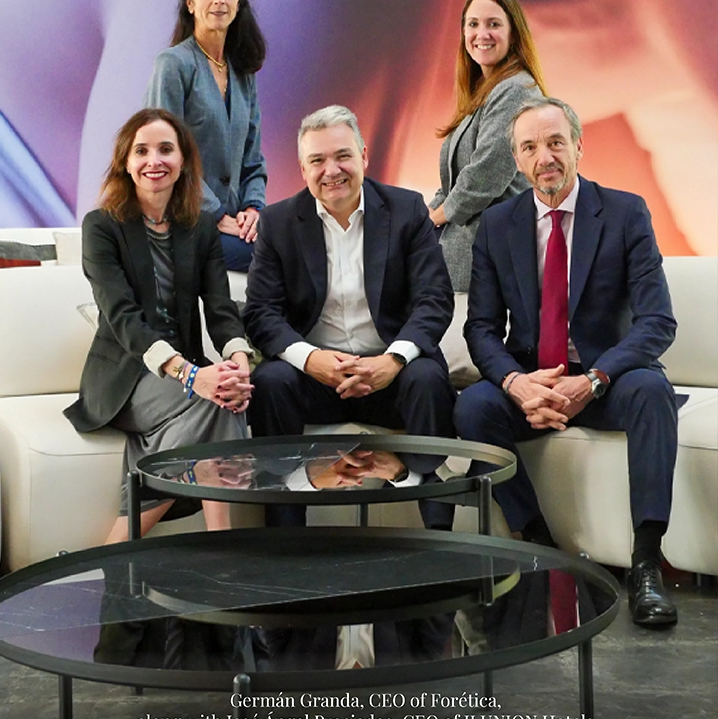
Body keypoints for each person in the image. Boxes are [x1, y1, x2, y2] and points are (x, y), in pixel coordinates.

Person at [454, 95, 679, 627]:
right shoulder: (498, 224)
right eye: (529, 147)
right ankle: (538, 546)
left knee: (651, 392)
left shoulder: (625, 212)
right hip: (535, 380)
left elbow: (658, 323)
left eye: (555, 142)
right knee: (471, 408)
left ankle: (646, 562)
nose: (544, 157)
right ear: (516, 159)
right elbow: (481, 328)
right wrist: (516, 383)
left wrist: (596, 380)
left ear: (578, 145)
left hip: (607, 379)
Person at [243, 104, 456, 530]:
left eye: (342, 156)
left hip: (391, 373)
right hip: (317, 378)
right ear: (302, 170)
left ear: (363, 156)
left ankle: (439, 537)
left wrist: (392, 361)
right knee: (270, 381)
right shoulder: (279, 222)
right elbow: (261, 312)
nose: (331, 170)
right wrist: (311, 360)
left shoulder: (407, 210)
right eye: (317, 161)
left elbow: (435, 299)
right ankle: (284, 538)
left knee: (428, 378)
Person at [64, 108, 254, 543]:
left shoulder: (201, 228)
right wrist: (191, 375)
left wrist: (239, 362)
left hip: (180, 375)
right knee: (214, 401)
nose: (155, 160)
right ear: (126, 163)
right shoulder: (101, 227)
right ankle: (213, 548)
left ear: (183, 160)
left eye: (166, 149)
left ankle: (138, 550)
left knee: (226, 395)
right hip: (124, 378)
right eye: (142, 150)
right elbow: (122, 317)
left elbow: (221, 308)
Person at [145, 0, 267, 272]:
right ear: (190, 3)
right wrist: (215, 214)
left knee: (295, 241)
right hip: (184, 222)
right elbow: (161, 158)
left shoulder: (243, 73)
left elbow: (253, 158)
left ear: (239, 2)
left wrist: (254, 209)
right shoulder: (172, 65)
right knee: (276, 257)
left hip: (235, 224)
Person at [428, 0, 547, 292]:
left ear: (513, 34)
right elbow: (453, 182)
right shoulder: (485, 92)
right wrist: (421, 219)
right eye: (473, 24)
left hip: (490, 260)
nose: (482, 34)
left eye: (494, 24)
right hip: (466, 254)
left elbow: (486, 174)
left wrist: (436, 218)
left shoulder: (515, 89)